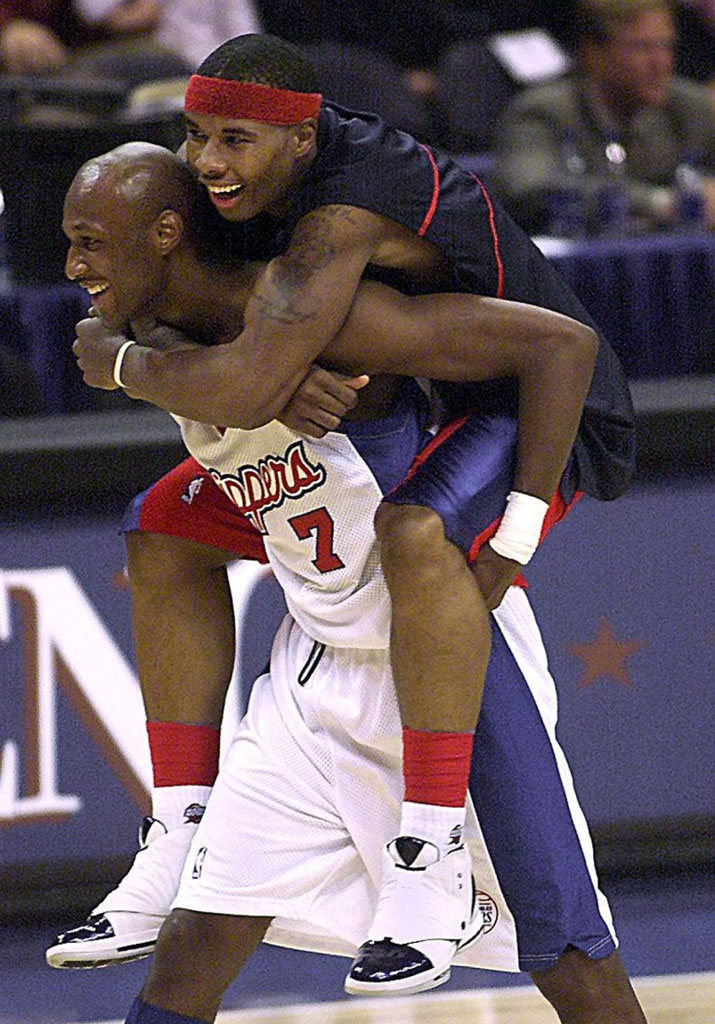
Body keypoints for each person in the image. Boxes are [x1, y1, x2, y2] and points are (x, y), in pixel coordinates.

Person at [48, 33, 635, 996]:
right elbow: (207, 341)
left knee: (567, 952)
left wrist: (166, 370)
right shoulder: (233, 238)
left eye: (233, 139)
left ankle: (431, 850)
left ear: (301, 139)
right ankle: (179, 822)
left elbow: (556, 351)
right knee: (159, 523)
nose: (209, 163)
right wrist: (223, 368)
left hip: (530, 420)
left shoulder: (335, 231)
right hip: (321, 656)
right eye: (196, 138)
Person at [493, 0, 715, 235]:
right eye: (641, 47)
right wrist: (661, 202)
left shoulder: (691, 108)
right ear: (593, 53)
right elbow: (531, 187)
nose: (660, 63)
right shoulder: (542, 112)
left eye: (666, 46)